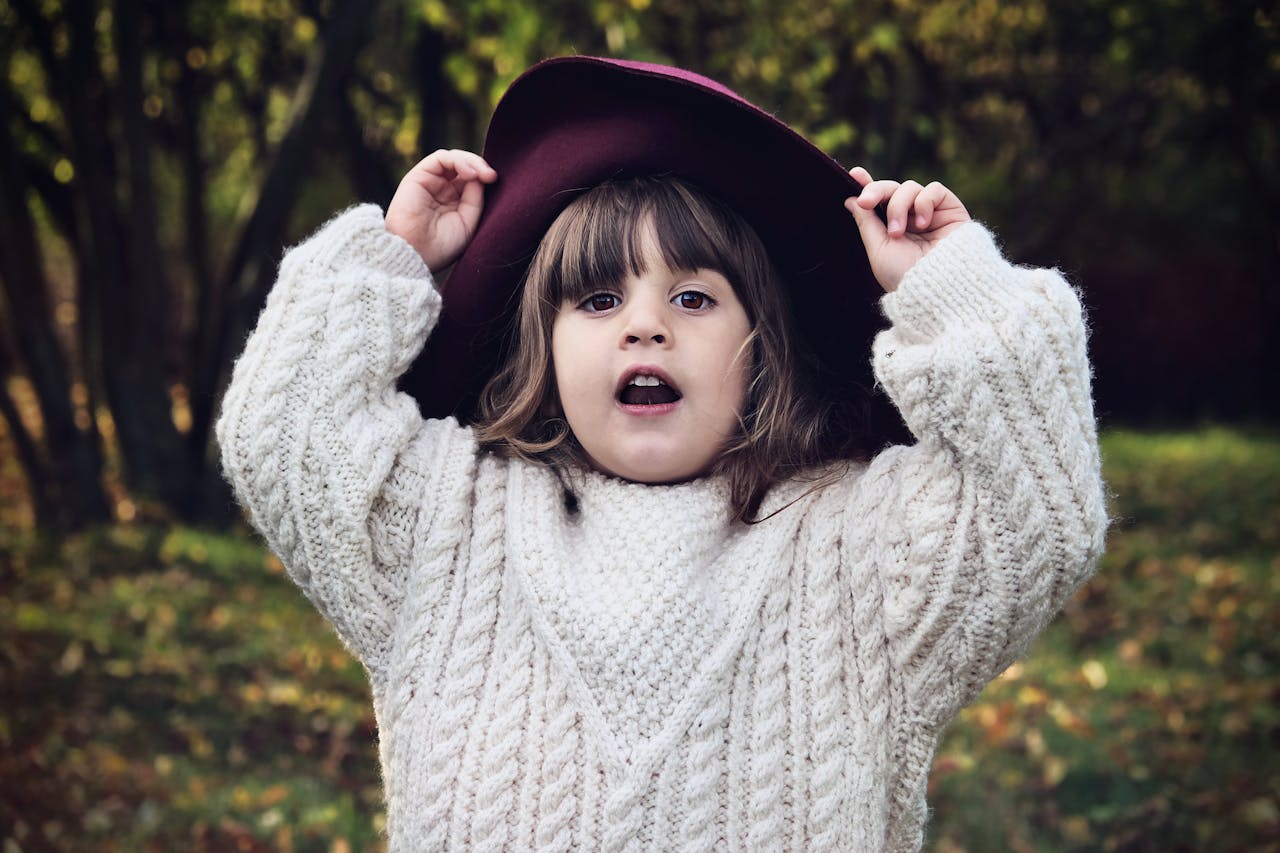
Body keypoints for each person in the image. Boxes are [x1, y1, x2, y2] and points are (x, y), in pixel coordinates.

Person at [217, 56, 1107, 852]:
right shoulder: (449, 523)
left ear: (762, 346)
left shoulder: (859, 546)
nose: (646, 322)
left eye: (691, 295)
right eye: (599, 300)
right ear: (544, 347)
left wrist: (953, 287)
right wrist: (394, 256)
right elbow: (285, 434)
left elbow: (1039, 516)